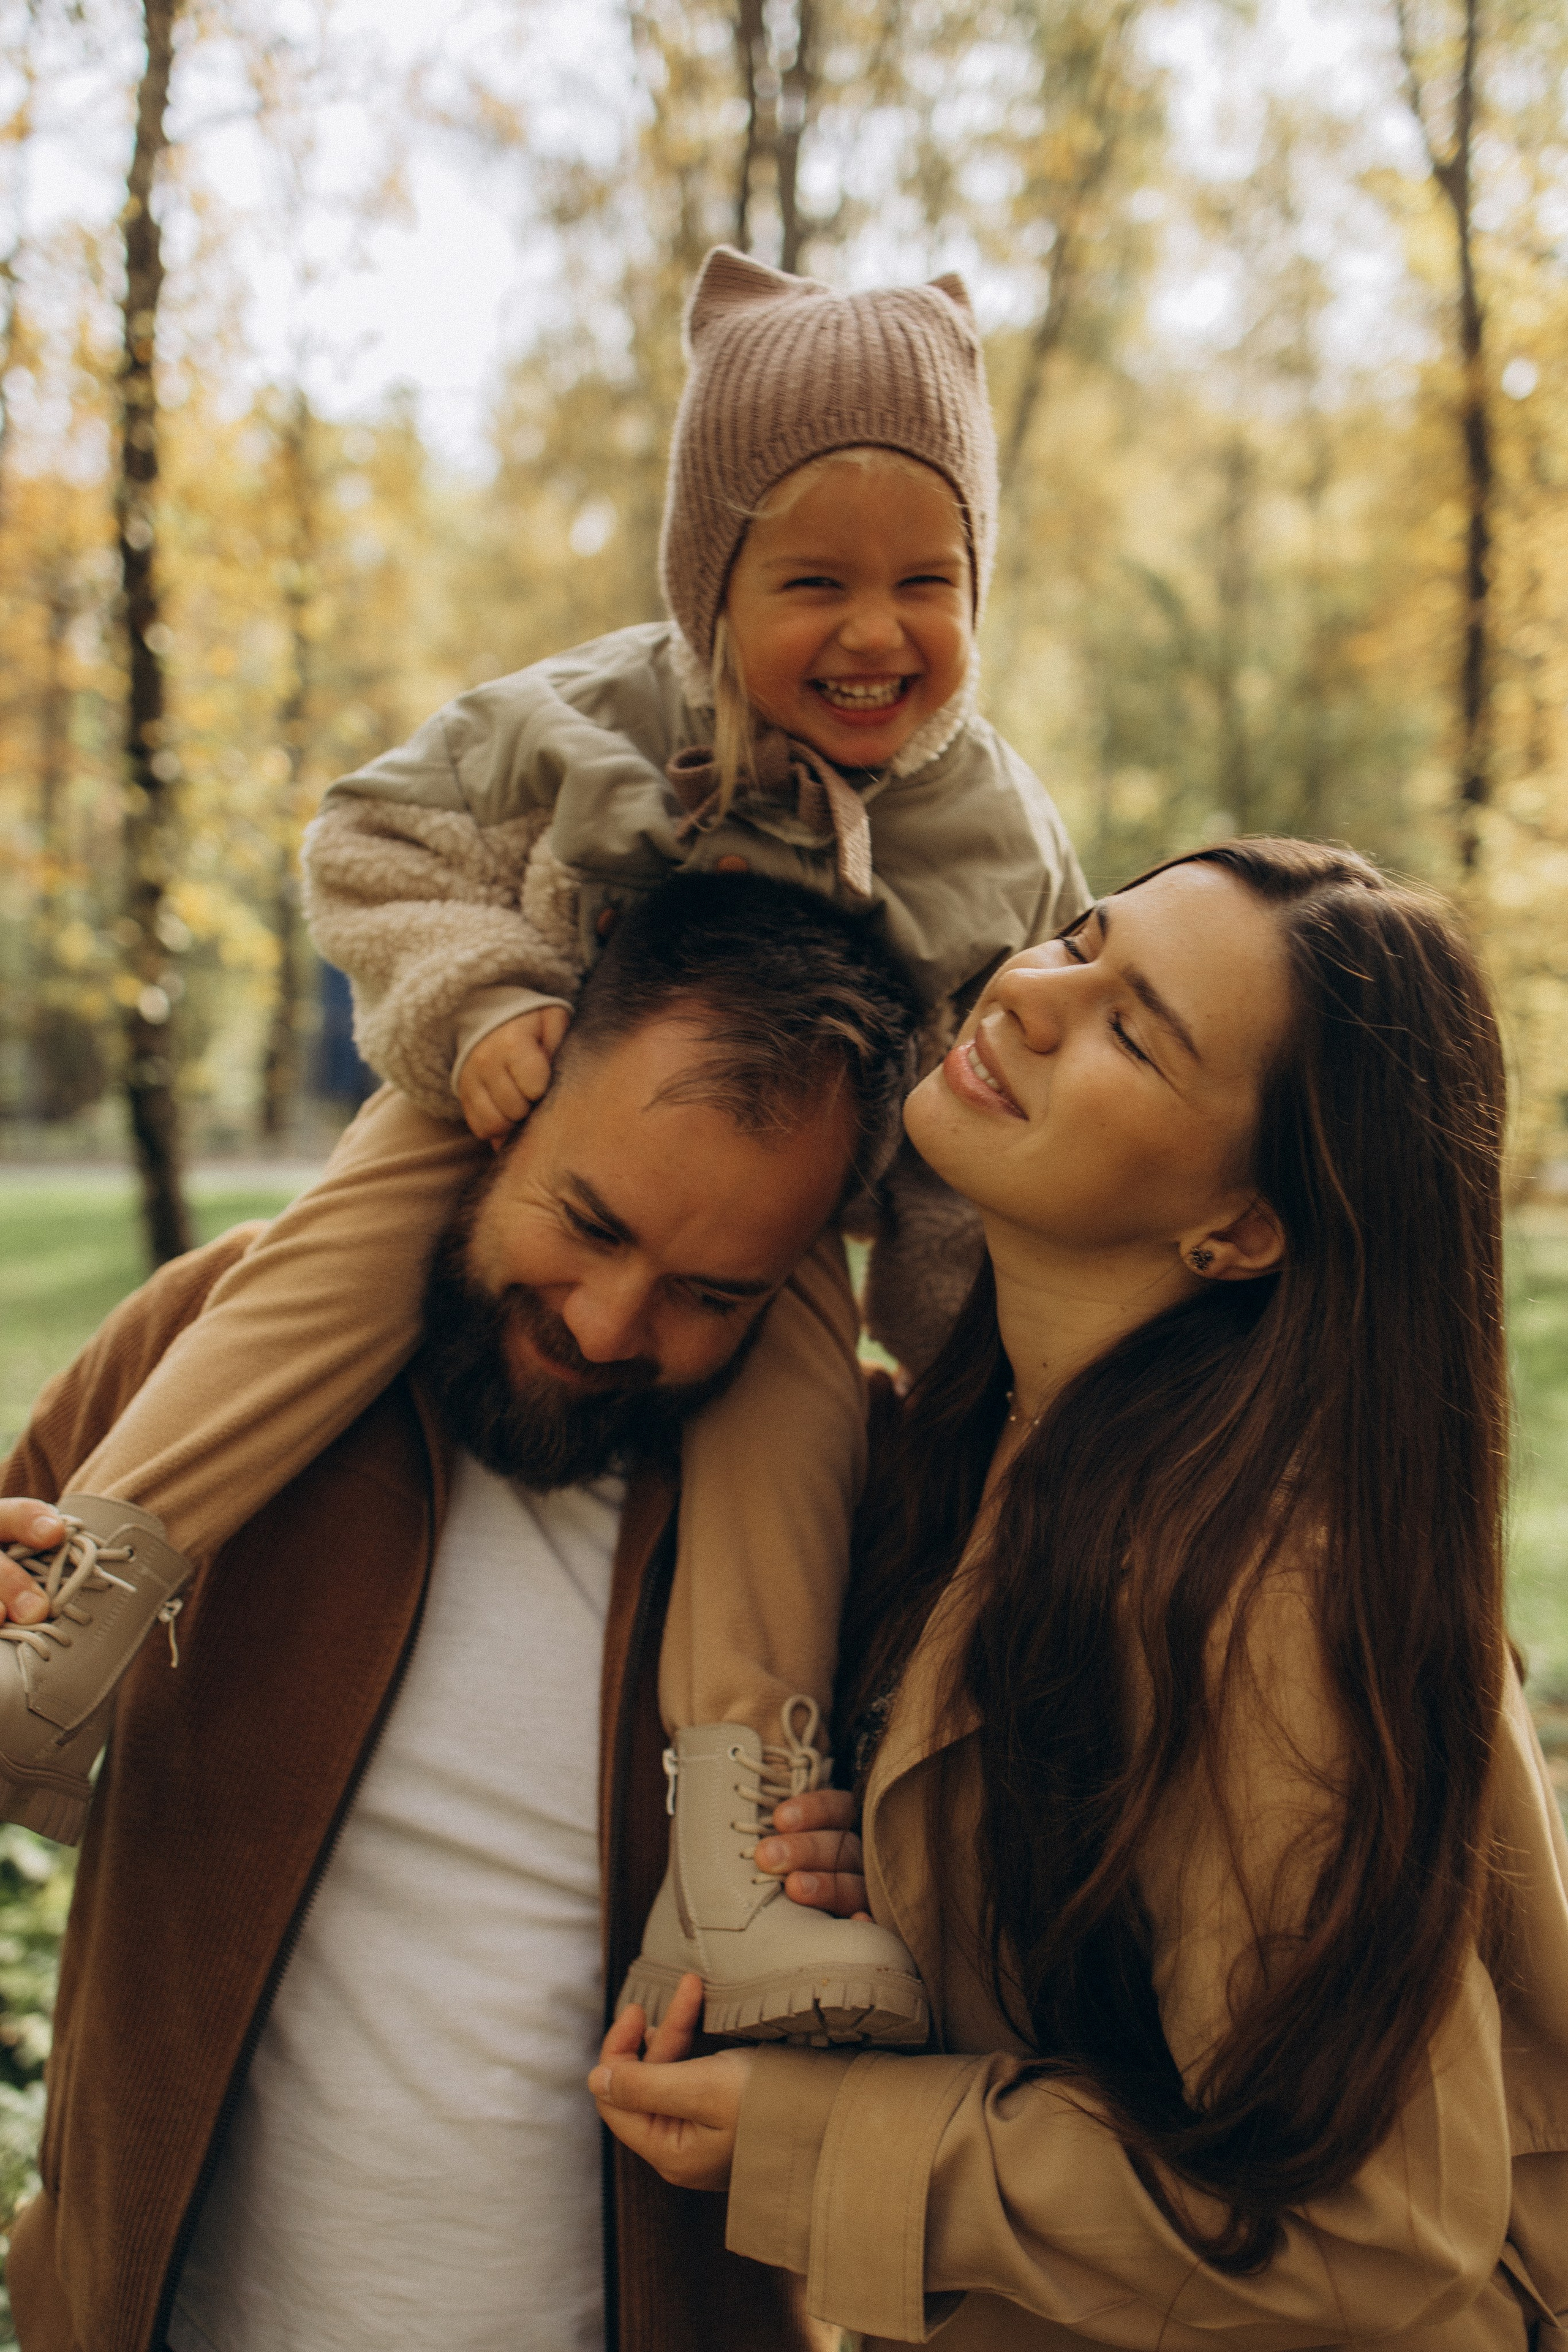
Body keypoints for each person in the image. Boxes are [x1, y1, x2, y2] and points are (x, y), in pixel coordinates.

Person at [0, 243, 1087, 2044]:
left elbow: (987, 1106)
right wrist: (482, 999)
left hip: (789, 1217)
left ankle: (733, 1860)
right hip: (509, 1096)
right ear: (705, 576)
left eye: (930, 579)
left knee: (789, 1417)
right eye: (813, 581)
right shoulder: (593, 717)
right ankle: (82, 1621)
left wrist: (983, 1323)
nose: (878, 631)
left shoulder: (996, 833)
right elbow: (372, 841)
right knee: (323, 1267)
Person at [589, 840, 1568, 2348]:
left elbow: (1378, 2239)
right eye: (1074, 939)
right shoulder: (986, 1452)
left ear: (1242, 1228)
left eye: (1132, 1030)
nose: (1032, 997)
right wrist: (900, 1878)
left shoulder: (1261, 1600)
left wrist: (812, 2136)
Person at [1, 875, 929, 2352]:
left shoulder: (864, 1505)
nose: (610, 1325)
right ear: (506, 1099)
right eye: (588, 1219)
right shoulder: (201, 1353)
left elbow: (995, 1997)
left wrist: (900, 1881)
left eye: (710, 1292)